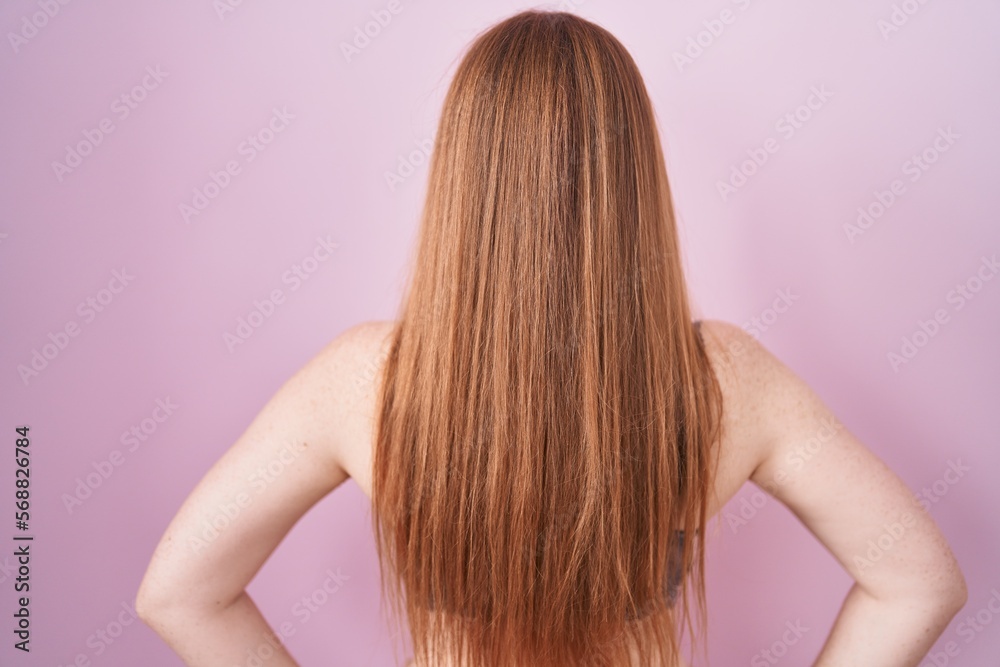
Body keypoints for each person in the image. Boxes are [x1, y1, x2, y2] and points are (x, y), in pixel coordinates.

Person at [136, 9, 967, 666]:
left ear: (463, 179)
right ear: (634, 177)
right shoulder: (724, 381)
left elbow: (180, 593)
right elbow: (918, 583)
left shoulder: (367, 380)